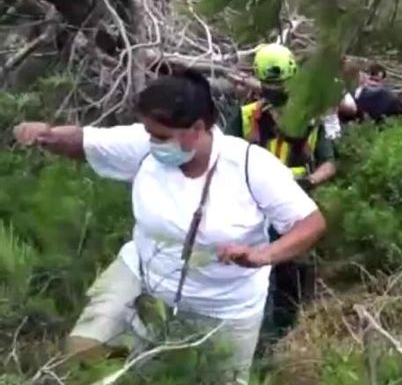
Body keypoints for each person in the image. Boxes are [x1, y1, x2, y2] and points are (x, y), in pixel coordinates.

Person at [12, 70, 326, 384]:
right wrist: (47, 135)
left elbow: (309, 223)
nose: (152, 141)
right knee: (88, 350)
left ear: (197, 128)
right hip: (142, 279)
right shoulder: (144, 146)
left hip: (224, 306)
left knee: (217, 378)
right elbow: (84, 141)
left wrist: (264, 255)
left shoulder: (250, 166)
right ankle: (132, 368)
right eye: (149, 133)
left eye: (161, 136)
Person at [225, 43, 336, 339]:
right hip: (251, 207)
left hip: (293, 209)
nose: (275, 89)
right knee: (253, 270)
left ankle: (284, 334)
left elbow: (329, 163)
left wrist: (309, 182)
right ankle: (251, 333)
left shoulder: (310, 120)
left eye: (280, 83)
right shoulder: (247, 116)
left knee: (290, 272)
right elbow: (224, 155)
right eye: (269, 83)